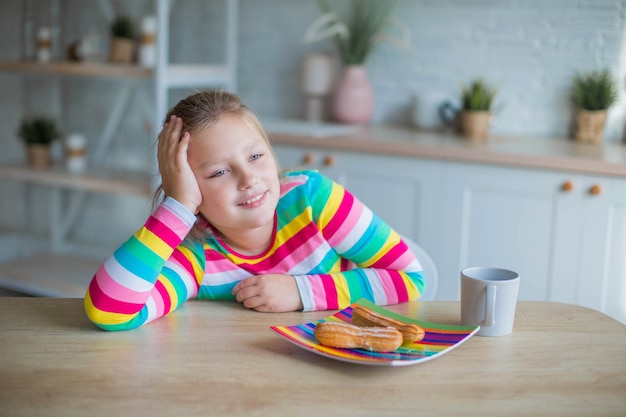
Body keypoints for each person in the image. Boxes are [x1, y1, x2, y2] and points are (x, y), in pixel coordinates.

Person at [84, 90, 425, 331]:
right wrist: (177, 206)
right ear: (189, 187)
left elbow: (411, 278)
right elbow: (108, 311)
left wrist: (300, 292)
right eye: (219, 172)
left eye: (256, 156)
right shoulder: (196, 255)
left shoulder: (312, 200)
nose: (249, 179)